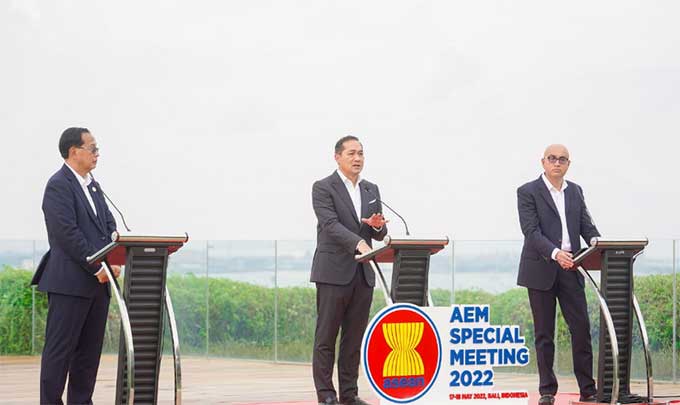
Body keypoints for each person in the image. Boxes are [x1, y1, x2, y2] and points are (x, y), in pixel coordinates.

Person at [31, 127, 121, 405]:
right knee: (59, 354)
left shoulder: (93, 185)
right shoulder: (58, 185)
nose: (97, 154)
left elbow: (108, 225)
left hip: (99, 284)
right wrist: (97, 266)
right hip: (70, 283)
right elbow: (67, 234)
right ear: (74, 151)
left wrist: (112, 262)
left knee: (88, 355)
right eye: (92, 148)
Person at [517, 144, 601, 405]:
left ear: (568, 164)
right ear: (543, 162)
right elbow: (531, 231)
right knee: (544, 334)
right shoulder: (527, 191)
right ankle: (547, 391)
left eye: (562, 159)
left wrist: (600, 244)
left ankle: (588, 389)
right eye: (552, 158)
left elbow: (586, 226)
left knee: (581, 329)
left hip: (571, 268)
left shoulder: (575, 191)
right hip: (541, 268)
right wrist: (555, 253)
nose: (557, 163)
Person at [310, 136, 388, 405]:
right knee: (326, 337)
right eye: (352, 153)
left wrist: (378, 226)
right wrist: (358, 242)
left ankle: (349, 395)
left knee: (353, 340)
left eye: (361, 153)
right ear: (337, 157)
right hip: (333, 272)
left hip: (363, 274)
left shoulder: (371, 189)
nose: (358, 158)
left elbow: (379, 233)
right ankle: (326, 395)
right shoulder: (323, 187)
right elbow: (330, 225)